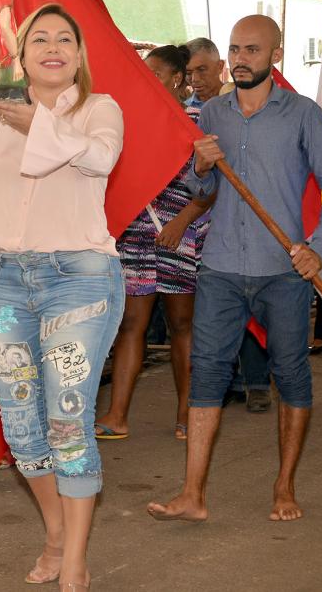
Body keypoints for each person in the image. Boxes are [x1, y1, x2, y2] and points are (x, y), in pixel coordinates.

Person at [0, 2, 124, 591]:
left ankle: (75, 561)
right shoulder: (2, 110)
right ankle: (54, 534)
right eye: (38, 39)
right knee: (22, 428)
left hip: (80, 281)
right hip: (9, 283)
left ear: (79, 55)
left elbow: (99, 157)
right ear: (21, 56)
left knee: (68, 423)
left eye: (64, 39)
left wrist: (32, 122)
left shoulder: (100, 109)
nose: (52, 47)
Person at [148, 14, 322, 524]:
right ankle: (192, 493)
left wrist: (317, 248)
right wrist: (199, 168)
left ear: (275, 56)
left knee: (291, 374)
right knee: (208, 374)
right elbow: (203, 193)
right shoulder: (210, 113)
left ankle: (284, 487)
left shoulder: (301, 114)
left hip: (285, 269)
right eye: (235, 50)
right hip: (219, 267)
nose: (241, 59)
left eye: (253, 51)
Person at [95, 45, 211, 442]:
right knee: (131, 324)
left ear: (176, 78)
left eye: (155, 74)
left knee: (182, 324)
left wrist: (182, 222)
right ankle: (117, 415)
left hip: (182, 233)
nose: (146, 80)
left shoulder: (198, 119)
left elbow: (214, 186)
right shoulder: (129, 118)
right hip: (136, 234)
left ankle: (186, 412)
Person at [184, 38, 225, 108]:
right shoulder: (183, 110)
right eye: (188, 73)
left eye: (201, 70)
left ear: (220, 66)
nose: (195, 79)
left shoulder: (242, 102)